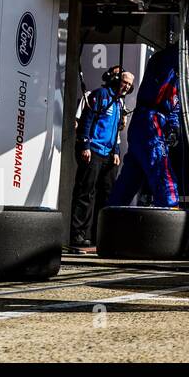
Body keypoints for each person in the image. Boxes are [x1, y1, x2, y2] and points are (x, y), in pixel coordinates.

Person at [110, 45, 189, 208]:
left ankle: (111, 222)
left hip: (150, 124)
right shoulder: (164, 60)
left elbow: (174, 106)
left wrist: (174, 127)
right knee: (164, 176)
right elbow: (186, 40)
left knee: (129, 180)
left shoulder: (175, 77)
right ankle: (171, 214)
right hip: (150, 122)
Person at [69, 67, 133, 249]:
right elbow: (86, 120)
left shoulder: (120, 103)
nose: (126, 87)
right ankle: (78, 236)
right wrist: (85, 145)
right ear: (115, 80)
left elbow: (115, 131)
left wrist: (116, 151)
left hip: (109, 154)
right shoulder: (100, 95)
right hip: (93, 151)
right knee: (85, 193)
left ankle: (100, 237)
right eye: (124, 82)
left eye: (129, 85)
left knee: (107, 196)